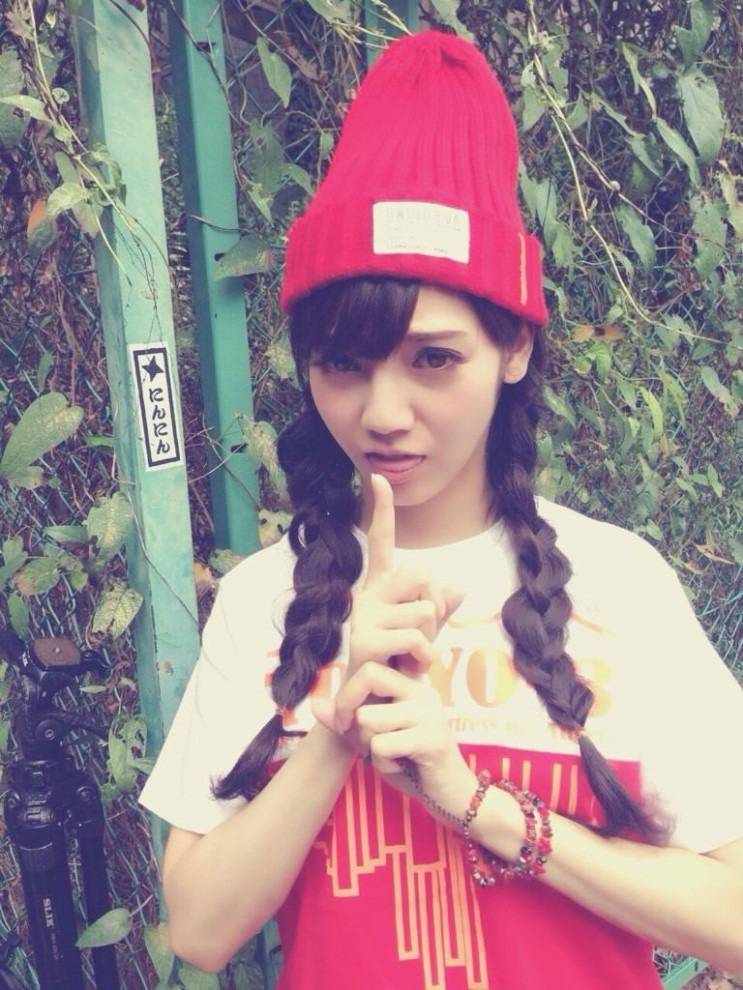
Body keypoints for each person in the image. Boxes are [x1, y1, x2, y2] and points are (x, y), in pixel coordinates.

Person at [139, 30, 743, 990]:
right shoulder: (264, 601)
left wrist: (478, 804)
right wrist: (338, 725)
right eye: (343, 364)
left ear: (513, 349)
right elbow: (201, 932)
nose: (382, 413)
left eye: (433, 359)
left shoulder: (618, 585)